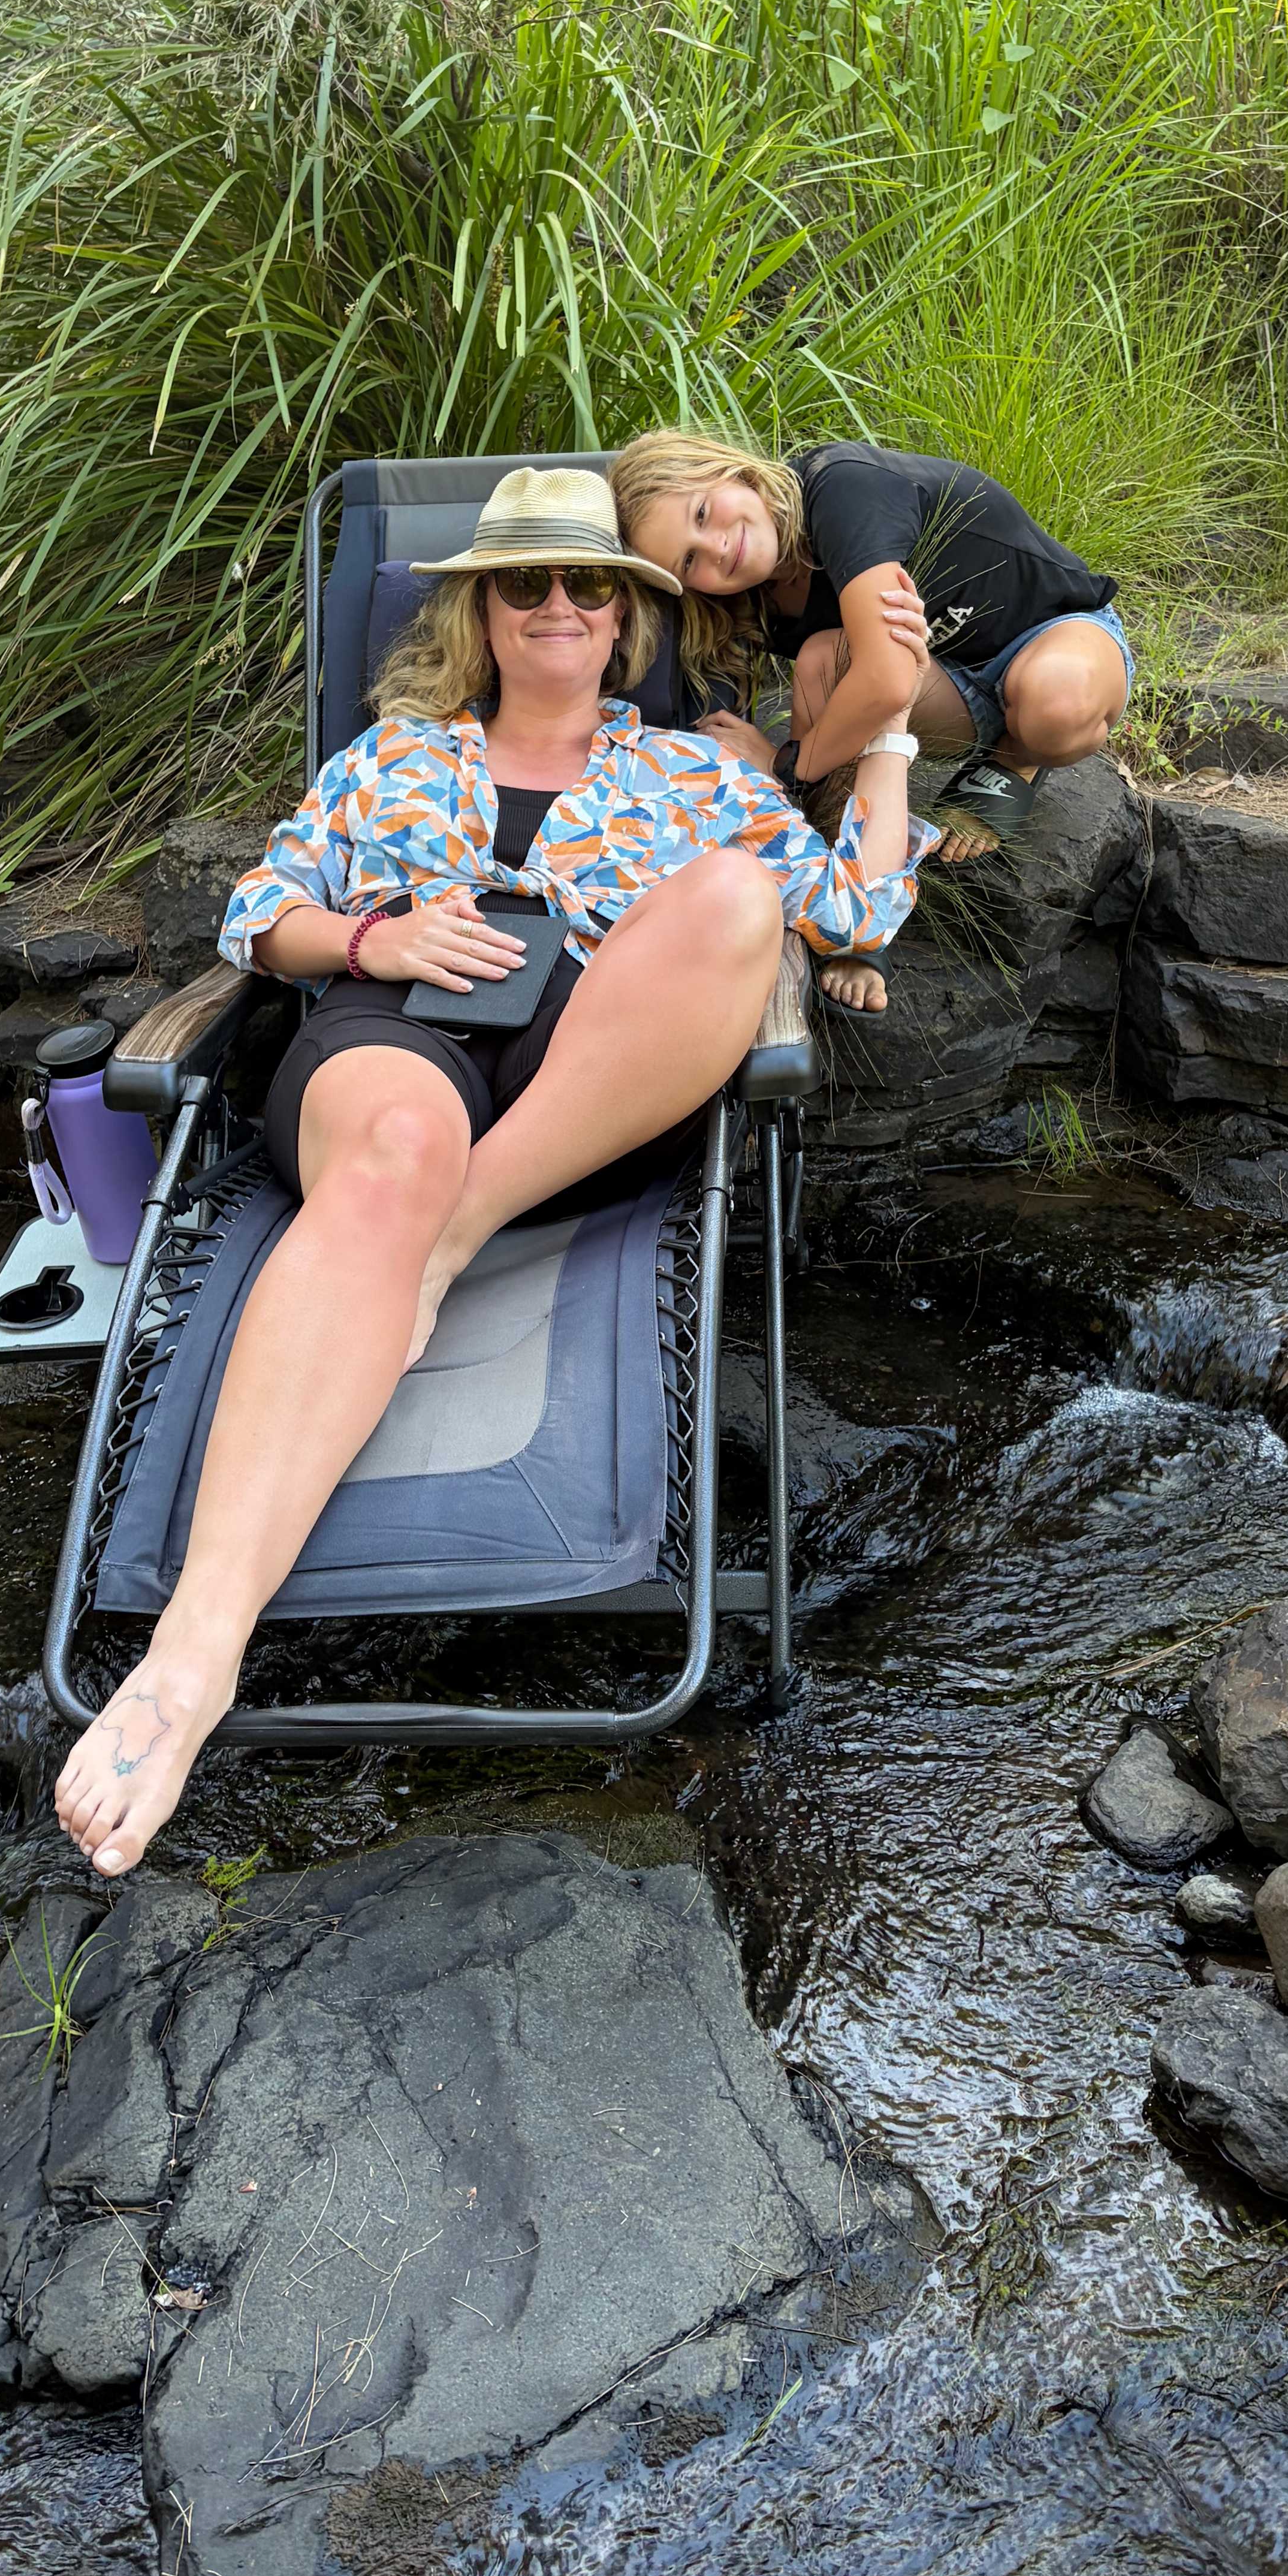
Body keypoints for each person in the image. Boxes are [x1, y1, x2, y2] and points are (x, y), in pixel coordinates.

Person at [54, 464, 932, 1881]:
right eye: (526, 581)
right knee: (396, 1149)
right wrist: (371, 940)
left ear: (625, 616)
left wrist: (885, 742)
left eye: (588, 583)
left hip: (585, 1068)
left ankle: (449, 1231)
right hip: (394, 1030)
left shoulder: (693, 773)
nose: (558, 604)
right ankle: (190, 1659)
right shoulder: (392, 758)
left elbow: (852, 911)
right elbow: (261, 911)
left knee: (732, 892)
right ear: (482, 610)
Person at [610, 433, 1132, 1011]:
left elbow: (885, 679)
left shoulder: (841, 487)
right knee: (824, 661)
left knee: (1055, 709)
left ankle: (1016, 758)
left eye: (703, 513)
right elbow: (882, 679)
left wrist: (788, 763)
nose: (717, 547)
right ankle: (857, 902)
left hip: (1051, 634)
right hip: (945, 686)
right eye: (689, 561)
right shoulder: (751, 595)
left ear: (736, 474)